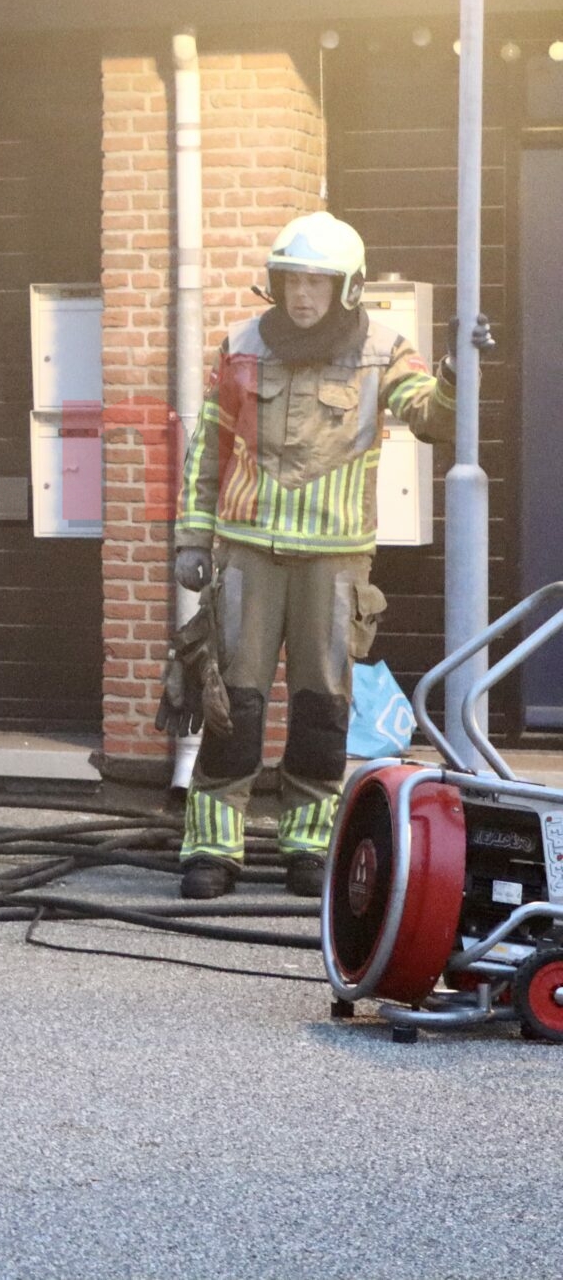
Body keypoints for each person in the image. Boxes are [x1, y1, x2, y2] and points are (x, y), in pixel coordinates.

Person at [173, 211, 455, 899]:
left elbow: (428, 415)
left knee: (322, 706)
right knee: (229, 701)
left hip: (335, 562)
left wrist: (454, 380)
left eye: (317, 283)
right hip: (247, 553)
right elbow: (208, 444)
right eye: (291, 279)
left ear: (348, 288)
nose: (301, 295)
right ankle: (212, 847)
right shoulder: (240, 345)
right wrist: (190, 536)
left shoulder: (385, 350)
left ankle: (308, 843)